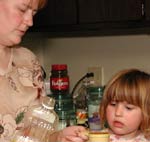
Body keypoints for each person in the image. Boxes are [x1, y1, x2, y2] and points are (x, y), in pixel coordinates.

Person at [0, 0, 88, 142]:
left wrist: (58, 137)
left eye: (33, 13)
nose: (30, 21)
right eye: (23, 10)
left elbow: (37, 135)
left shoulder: (28, 61)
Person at [99, 69, 150, 141]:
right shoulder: (95, 137)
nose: (118, 113)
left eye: (128, 108)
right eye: (113, 104)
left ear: (147, 113)